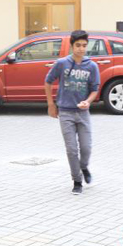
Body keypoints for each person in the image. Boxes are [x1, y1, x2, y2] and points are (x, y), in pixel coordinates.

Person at [44, 30, 100, 195]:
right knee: (71, 149)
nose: (81, 49)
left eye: (84, 45)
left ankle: (84, 167)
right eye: (78, 45)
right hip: (66, 112)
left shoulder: (91, 66)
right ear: (71, 46)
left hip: (83, 113)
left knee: (86, 147)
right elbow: (48, 82)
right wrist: (50, 104)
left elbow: (94, 89)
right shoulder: (62, 63)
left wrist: (88, 101)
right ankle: (76, 180)